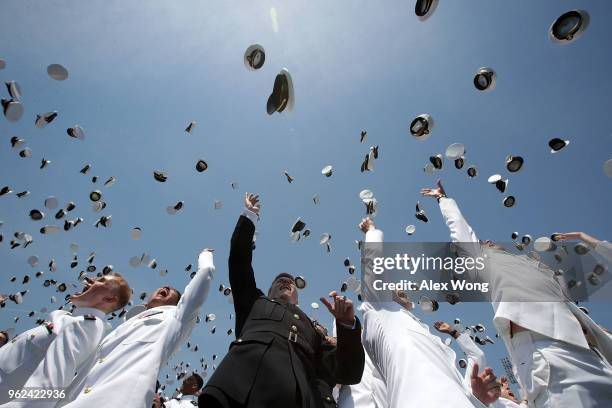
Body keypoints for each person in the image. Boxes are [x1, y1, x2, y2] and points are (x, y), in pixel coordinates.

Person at [421, 179, 612, 407]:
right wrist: (443, 199)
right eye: (482, 243)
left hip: (595, 357)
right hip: (551, 357)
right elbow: (461, 229)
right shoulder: (481, 261)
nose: (488, 241)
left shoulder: (537, 268)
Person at [199, 193, 365, 408]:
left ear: (297, 294)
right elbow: (239, 259)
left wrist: (347, 326)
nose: (285, 281)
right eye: (279, 281)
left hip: (303, 397)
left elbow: (348, 372)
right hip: (242, 387)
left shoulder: (315, 331)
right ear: (268, 293)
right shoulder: (253, 303)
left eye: (290, 282)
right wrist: (250, 214)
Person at [358, 218, 501, 408]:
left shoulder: (423, 333)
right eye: (393, 287)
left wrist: (477, 398)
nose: (402, 289)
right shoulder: (380, 311)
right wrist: (371, 230)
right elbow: (374, 262)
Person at [59, 248, 215, 408]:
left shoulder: (176, 318)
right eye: (164, 287)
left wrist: (205, 255)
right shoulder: (117, 330)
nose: (167, 287)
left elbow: (205, 274)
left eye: (173, 292)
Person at [0, 273, 131, 406]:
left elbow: (51, 383)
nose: (89, 280)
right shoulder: (68, 319)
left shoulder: (87, 325)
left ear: (109, 298)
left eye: (101, 281)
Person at [434, 321, 526, 408]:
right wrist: (452, 331)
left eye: (506, 388)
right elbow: (477, 356)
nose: (509, 390)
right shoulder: (474, 393)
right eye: (502, 387)